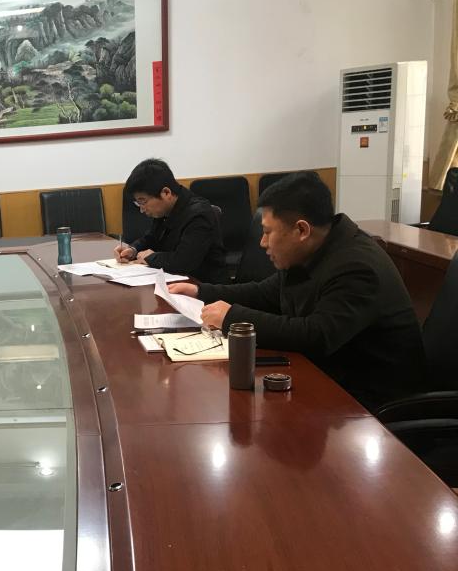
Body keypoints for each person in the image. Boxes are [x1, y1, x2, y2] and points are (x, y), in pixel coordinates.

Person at [168, 171, 426, 411]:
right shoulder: (314, 250)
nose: (262, 242)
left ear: (301, 230)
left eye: (267, 232)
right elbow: (264, 293)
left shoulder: (357, 267)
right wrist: (201, 291)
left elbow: (316, 335)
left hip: (374, 406)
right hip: (332, 380)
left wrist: (232, 319)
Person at [115, 158, 227, 281]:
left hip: (203, 285)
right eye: (138, 204)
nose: (141, 210)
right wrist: (132, 250)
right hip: (174, 279)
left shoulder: (199, 214)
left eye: (143, 202)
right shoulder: (166, 209)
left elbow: (184, 261)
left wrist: (151, 257)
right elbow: (151, 238)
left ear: (166, 193)